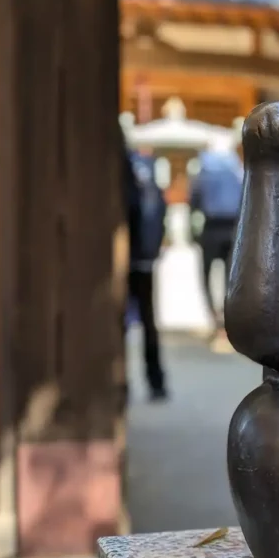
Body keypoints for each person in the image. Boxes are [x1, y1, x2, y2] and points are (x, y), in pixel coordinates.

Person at [123, 137, 168, 401]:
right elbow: (158, 209)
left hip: (128, 253)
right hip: (145, 255)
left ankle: (121, 383)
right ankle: (156, 382)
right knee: (148, 320)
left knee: (120, 323)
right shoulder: (148, 169)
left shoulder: (124, 167)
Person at [189, 137, 244, 333]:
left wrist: (192, 231)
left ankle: (213, 316)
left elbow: (194, 200)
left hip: (211, 226)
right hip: (233, 227)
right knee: (232, 276)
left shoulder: (204, 171)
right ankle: (228, 316)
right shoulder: (236, 170)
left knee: (206, 273)